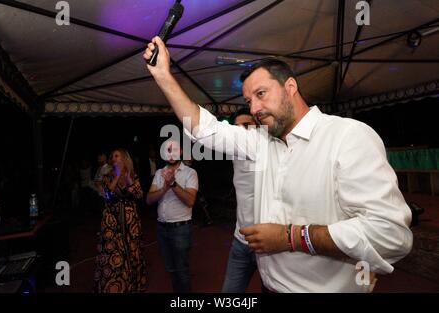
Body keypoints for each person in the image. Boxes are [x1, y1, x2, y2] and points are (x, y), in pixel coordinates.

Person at [143, 37, 413, 292]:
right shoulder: (260, 142)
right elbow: (205, 129)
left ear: (290, 87)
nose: (255, 108)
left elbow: (390, 234)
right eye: (249, 101)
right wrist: (164, 76)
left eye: (262, 93)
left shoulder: (347, 136)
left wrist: (291, 237)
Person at [146, 139, 198, 293]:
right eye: (168, 150)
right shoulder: (159, 173)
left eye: (175, 149)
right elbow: (149, 199)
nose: (171, 153)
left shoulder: (190, 173)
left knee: (181, 269)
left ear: (181, 152)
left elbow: (190, 201)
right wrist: (164, 188)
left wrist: (173, 184)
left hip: (180, 228)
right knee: (171, 269)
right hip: (162, 228)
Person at [94, 148, 146, 293]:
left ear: (124, 158)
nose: (114, 158)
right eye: (112, 156)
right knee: (115, 255)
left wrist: (128, 177)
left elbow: (139, 195)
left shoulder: (132, 175)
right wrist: (116, 176)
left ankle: (133, 285)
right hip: (113, 222)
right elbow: (108, 195)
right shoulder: (108, 176)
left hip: (130, 222)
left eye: (117, 156)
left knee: (132, 252)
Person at [222, 108, 258, 293]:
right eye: (237, 128)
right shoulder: (235, 154)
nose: (241, 132)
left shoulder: (269, 152)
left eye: (247, 125)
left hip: (266, 244)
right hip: (240, 241)